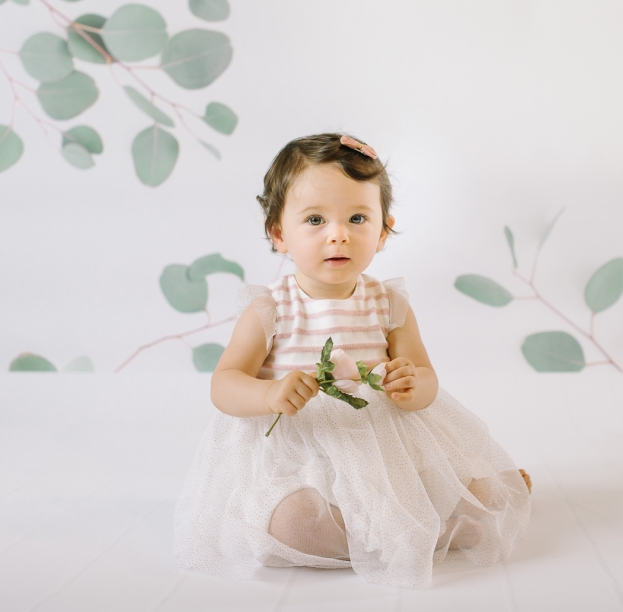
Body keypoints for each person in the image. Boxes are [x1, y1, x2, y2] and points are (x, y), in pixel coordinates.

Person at [172, 133, 532, 588]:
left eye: (358, 218)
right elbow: (224, 384)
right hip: (303, 451)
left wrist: (411, 384)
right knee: (289, 524)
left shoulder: (388, 305)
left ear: (382, 231)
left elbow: (425, 377)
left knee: (468, 488)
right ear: (279, 232)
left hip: (383, 445)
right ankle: (411, 532)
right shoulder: (271, 309)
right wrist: (268, 391)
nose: (338, 233)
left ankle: (450, 510)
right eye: (316, 219)